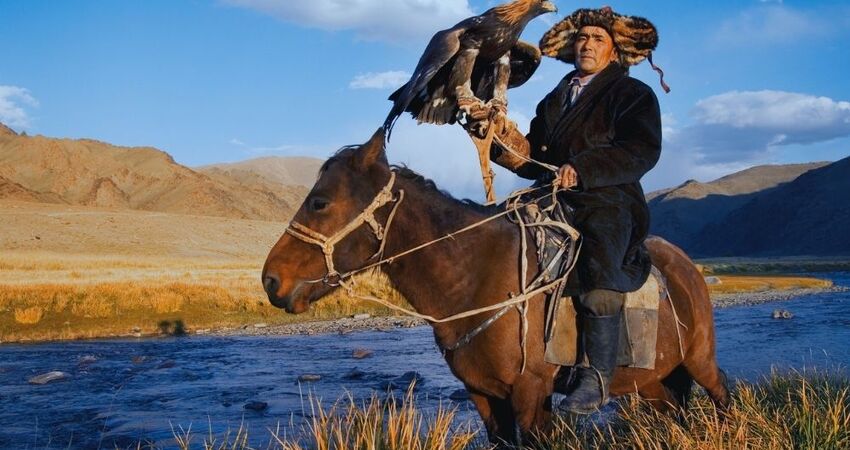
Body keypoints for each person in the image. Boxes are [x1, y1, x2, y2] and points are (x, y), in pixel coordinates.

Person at [466, 7, 665, 414]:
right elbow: (532, 157)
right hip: (551, 197)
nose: (587, 44)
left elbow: (641, 151)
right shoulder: (556, 97)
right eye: (582, 38)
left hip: (608, 199)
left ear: (615, 51)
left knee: (599, 271)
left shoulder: (632, 95)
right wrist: (496, 137)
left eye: (597, 39)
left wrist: (584, 168)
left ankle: (596, 375)